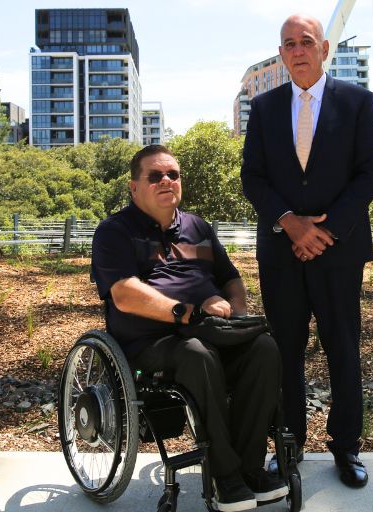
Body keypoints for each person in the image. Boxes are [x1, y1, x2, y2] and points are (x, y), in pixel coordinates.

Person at [91, 145, 287, 512]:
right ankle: (224, 477)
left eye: (173, 175)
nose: (167, 181)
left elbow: (230, 279)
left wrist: (237, 318)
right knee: (198, 356)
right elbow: (124, 294)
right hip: (151, 341)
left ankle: (250, 468)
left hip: (209, 329)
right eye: (155, 176)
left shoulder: (198, 227)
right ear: (134, 187)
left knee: (263, 348)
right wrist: (190, 313)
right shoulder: (114, 232)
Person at [241, 13, 373, 489]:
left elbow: (368, 174)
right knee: (285, 353)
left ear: (324, 49)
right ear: (281, 54)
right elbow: (253, 178)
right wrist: (289, 223)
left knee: (343, 349)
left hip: (338, 250)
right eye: (288, 44)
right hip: (280, 251)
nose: (297, 50)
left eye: (306, 42)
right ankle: (288, 446)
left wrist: (326, 232)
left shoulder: (358, 102)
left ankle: (346, 447)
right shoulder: (263, 109)